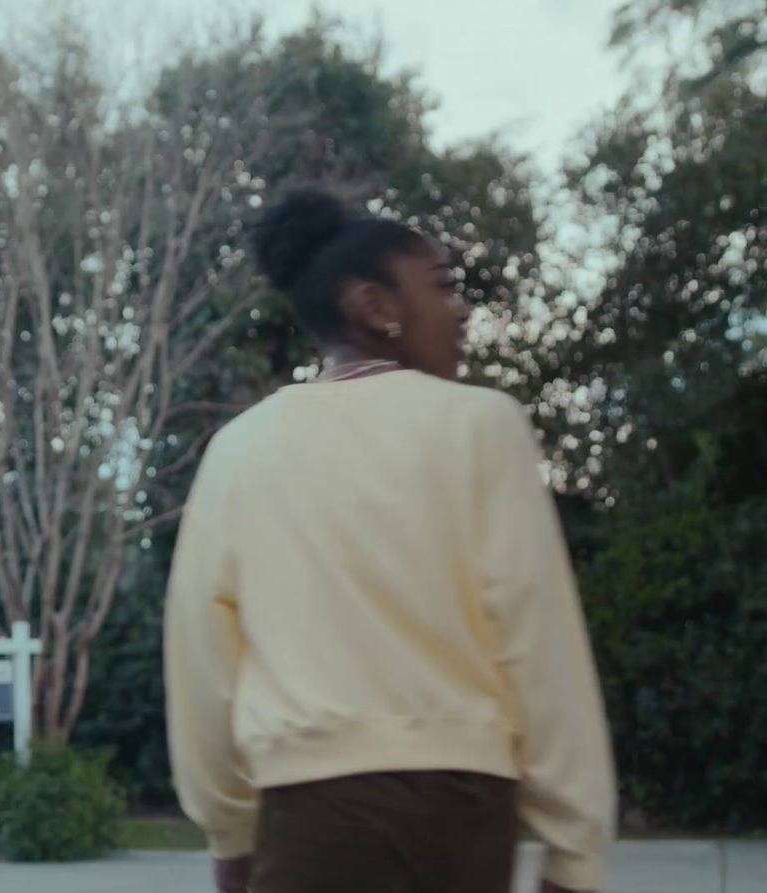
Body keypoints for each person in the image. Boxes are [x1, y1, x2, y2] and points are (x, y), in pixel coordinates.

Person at [164, 188, 616, 893]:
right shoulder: (481, 424)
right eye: (439, 286)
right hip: (461, 815)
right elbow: (539, 634)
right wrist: (574, 849)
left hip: (309, 813)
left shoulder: (240, 449)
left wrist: (229, 830)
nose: (461, 308)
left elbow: (202, 657)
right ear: (374, 306)